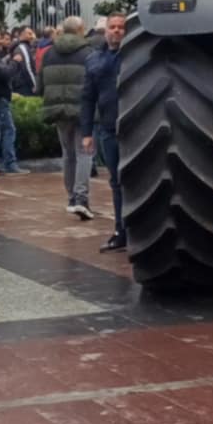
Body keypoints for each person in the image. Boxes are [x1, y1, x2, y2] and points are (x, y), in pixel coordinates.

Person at [79, 13, 128, 252]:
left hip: (135, 128)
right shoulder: (95, 59)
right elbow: (87, 98)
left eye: (121, 27)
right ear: (105, 30)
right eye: (113, 27)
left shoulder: (134, 56)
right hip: (109, 129)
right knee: (116, 182)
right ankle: (121, 230)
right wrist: (86, 133)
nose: (116, 31)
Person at [39, 16, 95, 218]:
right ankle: (81, 198)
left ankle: (71, 197)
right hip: (82, 110)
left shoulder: (49, 53)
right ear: (81, 30)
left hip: (58, 111)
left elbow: (40, 84)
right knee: (84, 152)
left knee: (68, 153)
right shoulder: (88, 53)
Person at [0, 32, 20, 175]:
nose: (5, 41)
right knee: (7, 129)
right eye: (0, 38)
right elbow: (4, 73)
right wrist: (15, 62)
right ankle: (8, 163)